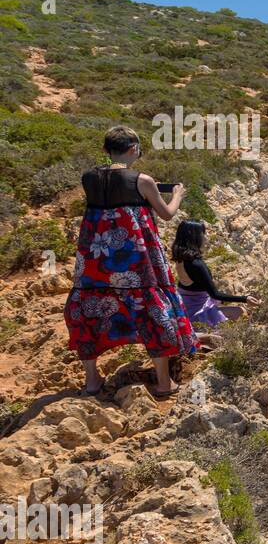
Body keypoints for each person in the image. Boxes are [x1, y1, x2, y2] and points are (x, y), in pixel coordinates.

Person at [64, 126, 196, 397]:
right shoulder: (143, 180)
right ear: (134, 149)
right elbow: (167, 213)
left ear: (105, 149)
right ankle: (163, 382)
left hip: (96, 259)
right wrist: (178, 195)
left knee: (88, 309)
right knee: (151, 311)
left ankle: (91, 381)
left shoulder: (88, 177)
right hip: (136, 260)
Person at [171, 220, 253, 333]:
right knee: (240, 311)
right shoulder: (196, 264)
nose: (205, 238)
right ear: (195, 238)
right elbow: (215, 294)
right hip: (198, 315)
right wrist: (245, 298)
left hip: (184, 310)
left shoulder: (181, 259)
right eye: (203, 234)